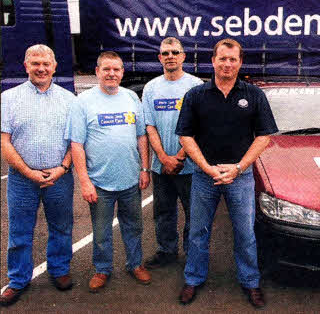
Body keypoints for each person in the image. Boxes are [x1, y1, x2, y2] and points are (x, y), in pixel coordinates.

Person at [175, 39, 278, 308]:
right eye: (222, 59)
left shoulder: (254, 95)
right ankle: (193, 278)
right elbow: (185, 136)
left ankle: (250, 282)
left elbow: (264, 136)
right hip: (204, 176)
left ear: (240, 63)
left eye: (233, 59)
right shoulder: (196, 95)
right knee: (198, 231)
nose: (227, 64)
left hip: (240, 176)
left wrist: (239, 167)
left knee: (245, 232)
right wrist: (207, 168)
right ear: (213, 61)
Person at [65, 51, 151, 293]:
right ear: (97, 72)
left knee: (133, 226)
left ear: (122, 72)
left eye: (116, 69)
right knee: (101, 230)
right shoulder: (83, 102)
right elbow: (76, 144)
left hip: (130, 180)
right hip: (99, 182)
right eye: (106, 69)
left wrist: (144, 168)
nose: (111, 74)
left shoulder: (132, 97)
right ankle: (102, 269)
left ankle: (135, 264)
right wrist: (84, 182)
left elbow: (141, 136)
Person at [0, 44, 75, 306]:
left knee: (61, 227)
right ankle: (18, 279)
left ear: (55, 66)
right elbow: (4, 142)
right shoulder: (8, 98)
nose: (41, 68)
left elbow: (75, 142)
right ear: (26, 66)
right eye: (35, 64)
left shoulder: (69, 100)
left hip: (59, 177)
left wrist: (63, 168)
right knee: (19, 230)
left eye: (46, 63)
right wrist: (27, 171)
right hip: (22, 178)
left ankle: (59, 270)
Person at [142, 37, 203, 268]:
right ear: (159, 58)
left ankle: (191, 254)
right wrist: (163, 158)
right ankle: (166, 251)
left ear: (183, 56)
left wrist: (179, 156)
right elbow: (150, 126)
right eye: (165, 53)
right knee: (163, 211)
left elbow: (199, 126)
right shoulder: (151, 87)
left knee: (193, 213)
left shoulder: (195, 86)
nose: (170, 56)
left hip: (189, 166)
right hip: (161, 166)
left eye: (175, 52)